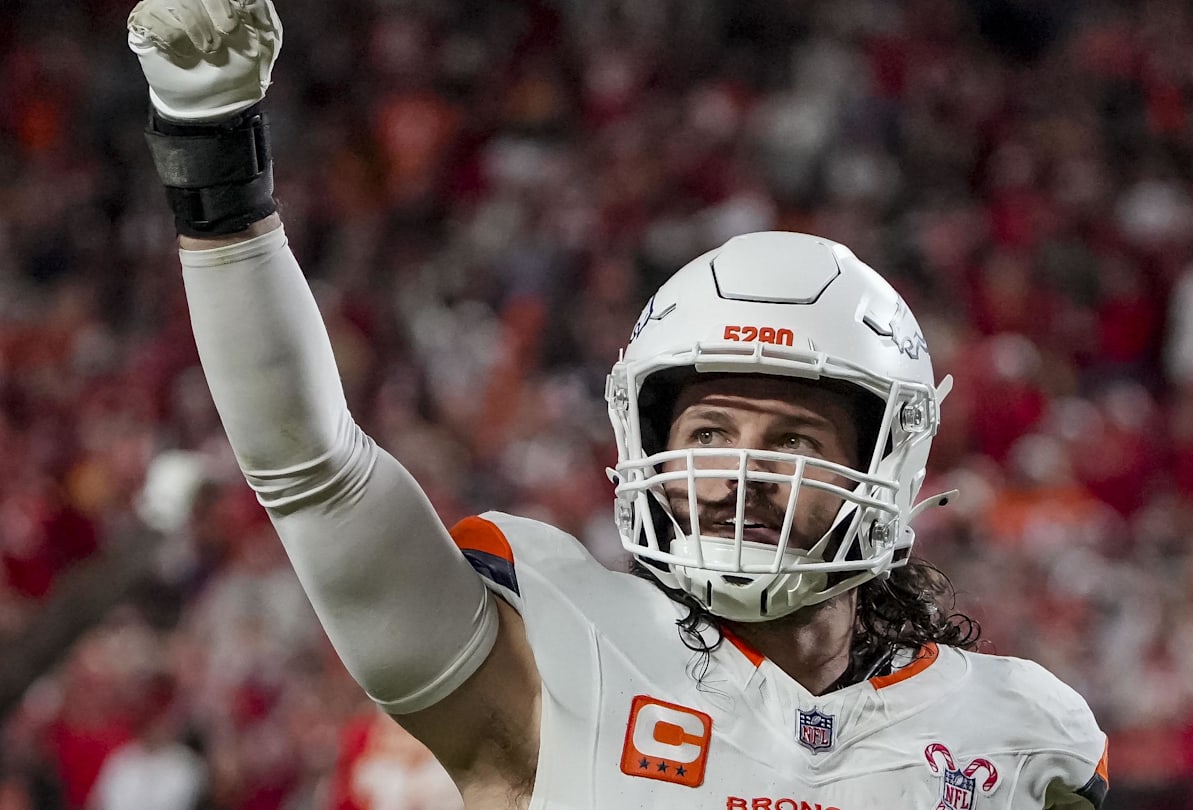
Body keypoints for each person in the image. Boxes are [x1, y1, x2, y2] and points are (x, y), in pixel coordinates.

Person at [126, 0, 1110, 807]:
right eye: (712, 432)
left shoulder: (1020, 740)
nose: (743, 473)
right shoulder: (559, 662)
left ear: (883, 469)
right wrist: (213, 149)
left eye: (795, 437)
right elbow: (314, 472)